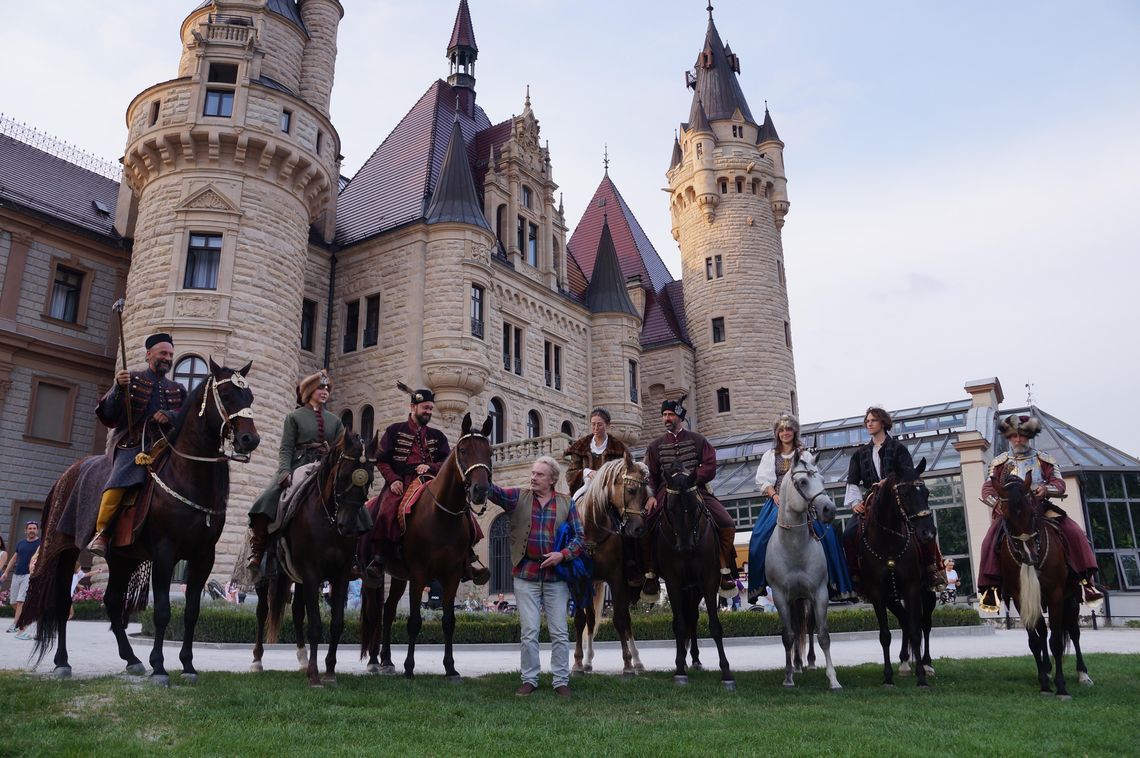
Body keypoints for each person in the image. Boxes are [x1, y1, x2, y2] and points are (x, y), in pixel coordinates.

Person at [976, 413, 1103, 611]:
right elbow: (987, 490)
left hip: (1040, 509)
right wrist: (999, 504)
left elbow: (1059, 484)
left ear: (1029, 436)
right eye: (1013, 436)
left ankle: (1085, 582)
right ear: (1008, 438)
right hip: (1010, 513)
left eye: (1022, 436)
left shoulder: (1044, 459)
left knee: (1075, 532)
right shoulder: (999, 463)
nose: (1018, 440)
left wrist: (1046, 489)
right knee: (988, 541)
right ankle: (991, 588)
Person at [366, 384, 488, 584]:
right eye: (425, 408)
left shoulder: (437, 436)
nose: (429, 412)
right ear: (413, 407)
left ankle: (467, 558)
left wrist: (429, 467)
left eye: (431, 408)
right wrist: (393, 479)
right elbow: (381, 459)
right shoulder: (394, 430)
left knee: (462, 511)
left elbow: (447, 462)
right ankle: (379, 559)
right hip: (401, 482)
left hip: (431, 481)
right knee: (386, 509)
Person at [486, 456, 584, 697]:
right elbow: (493, 492)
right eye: (532, 473)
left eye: (539, 474)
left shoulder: (566, 502)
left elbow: (580, 538)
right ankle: (529, 679)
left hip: (556, 577)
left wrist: (562, 555)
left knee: (559, 632)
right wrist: (480, 467)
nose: (533, 477)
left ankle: (561, 681)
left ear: (552, 479)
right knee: (529, 632)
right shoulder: (518, 496)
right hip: (525, 574)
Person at [87, 333, 187, 557]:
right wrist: (118, 389)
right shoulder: (130, 380)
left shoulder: (178, 389)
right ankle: (102, 531)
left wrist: (170, 415)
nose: (167, 358)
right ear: (149, 355)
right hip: (133, 444)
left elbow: (187, 417)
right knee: (118, 483)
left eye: (170, 354)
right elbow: (110, 414)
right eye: (163, 353)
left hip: (166, 445)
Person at [247, 370, 345, 580]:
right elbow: (286, 448)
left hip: (326, 469)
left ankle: (355, 556)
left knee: (355, 505)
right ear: (309, 391)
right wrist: (284, 471)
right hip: (299, 465)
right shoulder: (294, 417)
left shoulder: (335, 421)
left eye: (327, 388)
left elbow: (340, 449)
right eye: (321, 388)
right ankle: (258, 551)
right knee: (267, 500)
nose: (325, 392)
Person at [841, 406, 946, 595]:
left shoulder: (898, 448)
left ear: (883, 422)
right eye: (867, 421)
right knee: (848, 533)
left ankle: (932, 569)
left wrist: (888, 482)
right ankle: (856, 577)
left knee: (923, 528)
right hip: (871, 502)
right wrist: (855, 503)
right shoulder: (860, 453)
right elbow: (852, 481)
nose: (869, 424)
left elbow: (908, 474)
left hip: (898, 500)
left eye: (873, 420)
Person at [748, 414, 854, 601]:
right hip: (778, 502)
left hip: (805, 503)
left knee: (828, 534)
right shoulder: (770, 455)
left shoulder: (805, 455)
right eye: (781, 430)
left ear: (795, 431)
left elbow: (814, 480)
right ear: (777, 433)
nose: (785, 433)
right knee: (758, 537)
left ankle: (836, 583)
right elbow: (764, 481)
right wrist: (774, 495)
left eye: (789, 429)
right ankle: (758, 584)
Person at [641, 397, 740, 595]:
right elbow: (650, 473)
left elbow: (710, 465)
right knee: (645, 525)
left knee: (727, 522)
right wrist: (651, 495)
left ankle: (723, 568)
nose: (667, 418)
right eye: (664, 415)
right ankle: (650, 573)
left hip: (697, 489)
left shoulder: (698, 440)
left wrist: (692, 479)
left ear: (680, 417)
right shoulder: (655, 446)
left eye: (670, 414)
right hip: (666, 493)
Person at [563, 407, 630, 497]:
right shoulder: (580, 447)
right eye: (593, 424)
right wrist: (586, 472)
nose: (596, 428)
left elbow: (626, 472)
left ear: (607, 425)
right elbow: (570, 474)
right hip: (585, 490)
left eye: (599, 425)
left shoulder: (618, 448)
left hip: (610, 491)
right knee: (573, 503)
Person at [2, 521, 41, 637]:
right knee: (13, 602)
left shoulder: (40, 543)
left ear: (37, 530)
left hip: (29, 575)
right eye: (30, 528)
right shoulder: (21, 543)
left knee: (20, 601)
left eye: (34, 528)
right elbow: (14, 559)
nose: (32, 530)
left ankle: (15, 624)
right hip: (16, 574)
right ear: (26, 530)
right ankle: (28, 617)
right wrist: (6, 572)